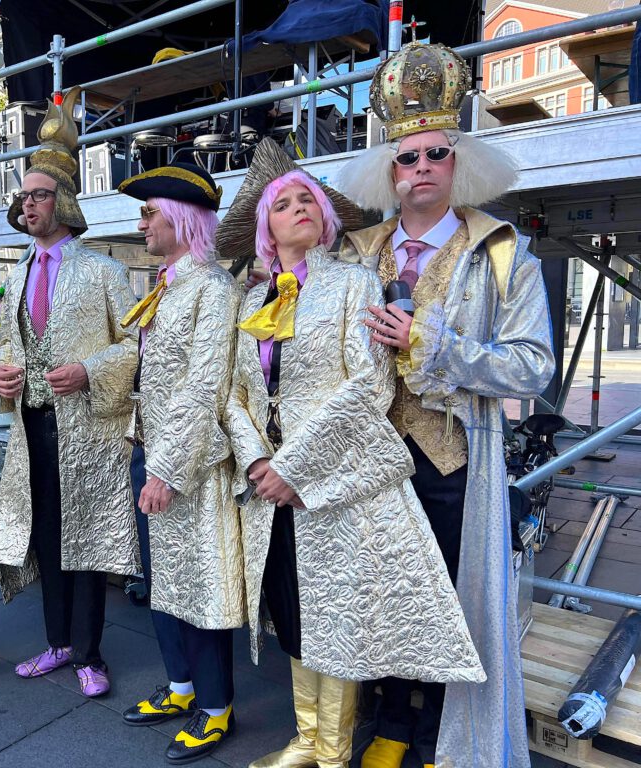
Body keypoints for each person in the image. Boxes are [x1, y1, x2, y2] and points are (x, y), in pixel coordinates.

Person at [220, 139, 485, 768]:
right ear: (267, 228)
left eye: (306, 198)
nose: (297, 208)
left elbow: (370, 384)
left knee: (337, 613)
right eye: (283, 204)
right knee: (292, 608)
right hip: (271, 484)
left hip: (336, 480)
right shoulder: (251, 301)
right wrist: (258, 458)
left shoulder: (354, 281)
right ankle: (307, 738)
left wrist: (293, 466)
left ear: (325, 215)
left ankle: (334, 752)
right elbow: (233, 392)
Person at [334, 43, 556, 768]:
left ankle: (439, 739)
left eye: (436, 154)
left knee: (451, 605)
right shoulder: (356, 254)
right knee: (386, 594)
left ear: (458, 163)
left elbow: (532, 366)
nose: (421, 167)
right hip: (372, 458)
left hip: (454, 459)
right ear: (388, 170)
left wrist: (433, 340)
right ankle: (391, 724)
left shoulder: (501, 254)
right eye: (407, 157)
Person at [0, 86, 139, 698]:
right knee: (46, 538)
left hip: (91, 428)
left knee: (88, 543)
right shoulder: (17, 272)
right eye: (23, 195)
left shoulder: (103, 269)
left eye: (38, 194)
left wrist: (91, 371)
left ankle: (91, 654)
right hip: (32, 426)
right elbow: (7, 347)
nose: (27, 204)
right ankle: (56, 644)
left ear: (63, 201)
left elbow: (134, 346)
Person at [116, 163, 245, 763]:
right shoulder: (170, 284)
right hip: (158, 458)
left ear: (183, 219)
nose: (141, 223)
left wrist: (166, 468)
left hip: (189, 466)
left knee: (201, 588)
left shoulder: (214, 288)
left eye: (149, 212)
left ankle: (216, 709)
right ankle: (180, 688)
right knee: (164, 584)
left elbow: (206, 386)